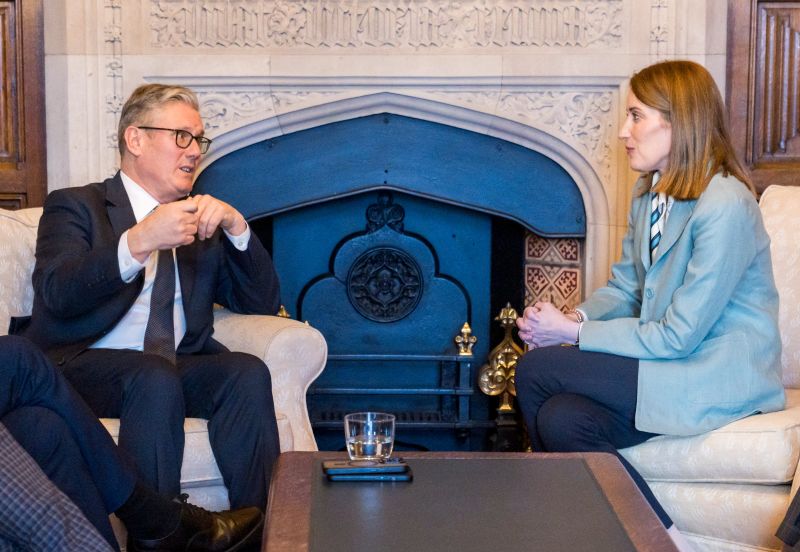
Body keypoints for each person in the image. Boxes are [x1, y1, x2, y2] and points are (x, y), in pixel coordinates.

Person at [514, 60, 785, 551]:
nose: (623, 132)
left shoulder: (724, 205)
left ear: (677, 123)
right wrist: (574, 318)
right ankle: (668, 540)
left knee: (537, 371)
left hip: (714, 371)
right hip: (669, 365)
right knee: (561, 419)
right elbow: (625, 289)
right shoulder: (651, 195)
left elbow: (680, 334)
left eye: (636, 116)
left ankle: (550, 529)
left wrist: (569, 336)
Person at [10, 83, 282, 509]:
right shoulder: (76, 206)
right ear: (135, 139)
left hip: (172, 366)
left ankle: (260, 529)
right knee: (151, 375)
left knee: (245, 372)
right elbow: (57, 292)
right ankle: (159, 534)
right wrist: (138, 242)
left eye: (199, 140)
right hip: (83, 364)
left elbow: (260, 303)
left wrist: (237, 227)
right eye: (182, 137)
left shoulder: (200, 221)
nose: (194, 151)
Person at [0, 335, 263, 552]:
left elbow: (259, 300)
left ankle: (154, 520)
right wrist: (126, 267)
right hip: (86, 359)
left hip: (176, 358)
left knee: (41, 427)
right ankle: (150, 514)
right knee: (19, 357)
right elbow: (57, 296)